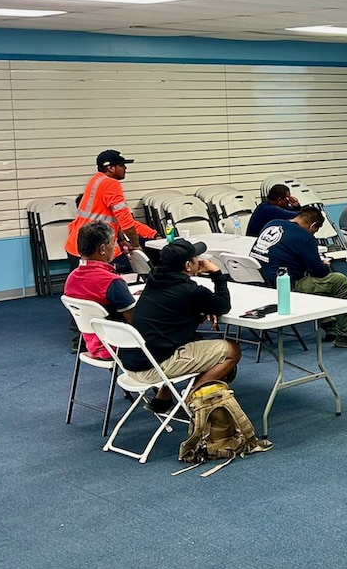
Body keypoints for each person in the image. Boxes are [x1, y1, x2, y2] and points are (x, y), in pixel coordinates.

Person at [118, 239, 240, 401]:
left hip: (131, 364)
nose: (201, 260)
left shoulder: (154, 280)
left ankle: (163, 398)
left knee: (196, 340)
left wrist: (200, 310)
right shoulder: (191, 292)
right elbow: (223, 306)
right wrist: (217, 274)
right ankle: (191, 399)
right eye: (196, 257)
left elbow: (174, 309)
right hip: (152, 369)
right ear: (188, 265)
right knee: (232, 350)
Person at [251, 205, 347, 348]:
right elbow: (320, 272)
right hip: (283, 287)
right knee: (338, 281)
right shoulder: (305, 237)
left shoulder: (272, 223)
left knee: (317, 281)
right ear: (314, 225)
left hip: (258, 284)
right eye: (316, 231)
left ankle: (330, 324)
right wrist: (324, 264)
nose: (314, 234)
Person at [63, 149, 157, 269]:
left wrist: (121, 239)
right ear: (111, 168)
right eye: (122, 165)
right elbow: (125, 219)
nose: (125, 169)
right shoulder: (111, 184)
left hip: (77, 246)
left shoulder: (95, 180)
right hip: (93, 250)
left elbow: (111, 216)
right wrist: (135, 245)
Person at [63, 221, 136, 359]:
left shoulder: (71, 279)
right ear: (103, 249)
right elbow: (134, 320)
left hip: (92, 344)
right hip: (120, 345)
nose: (114, 248)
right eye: (112, 244)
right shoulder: (112, 282)